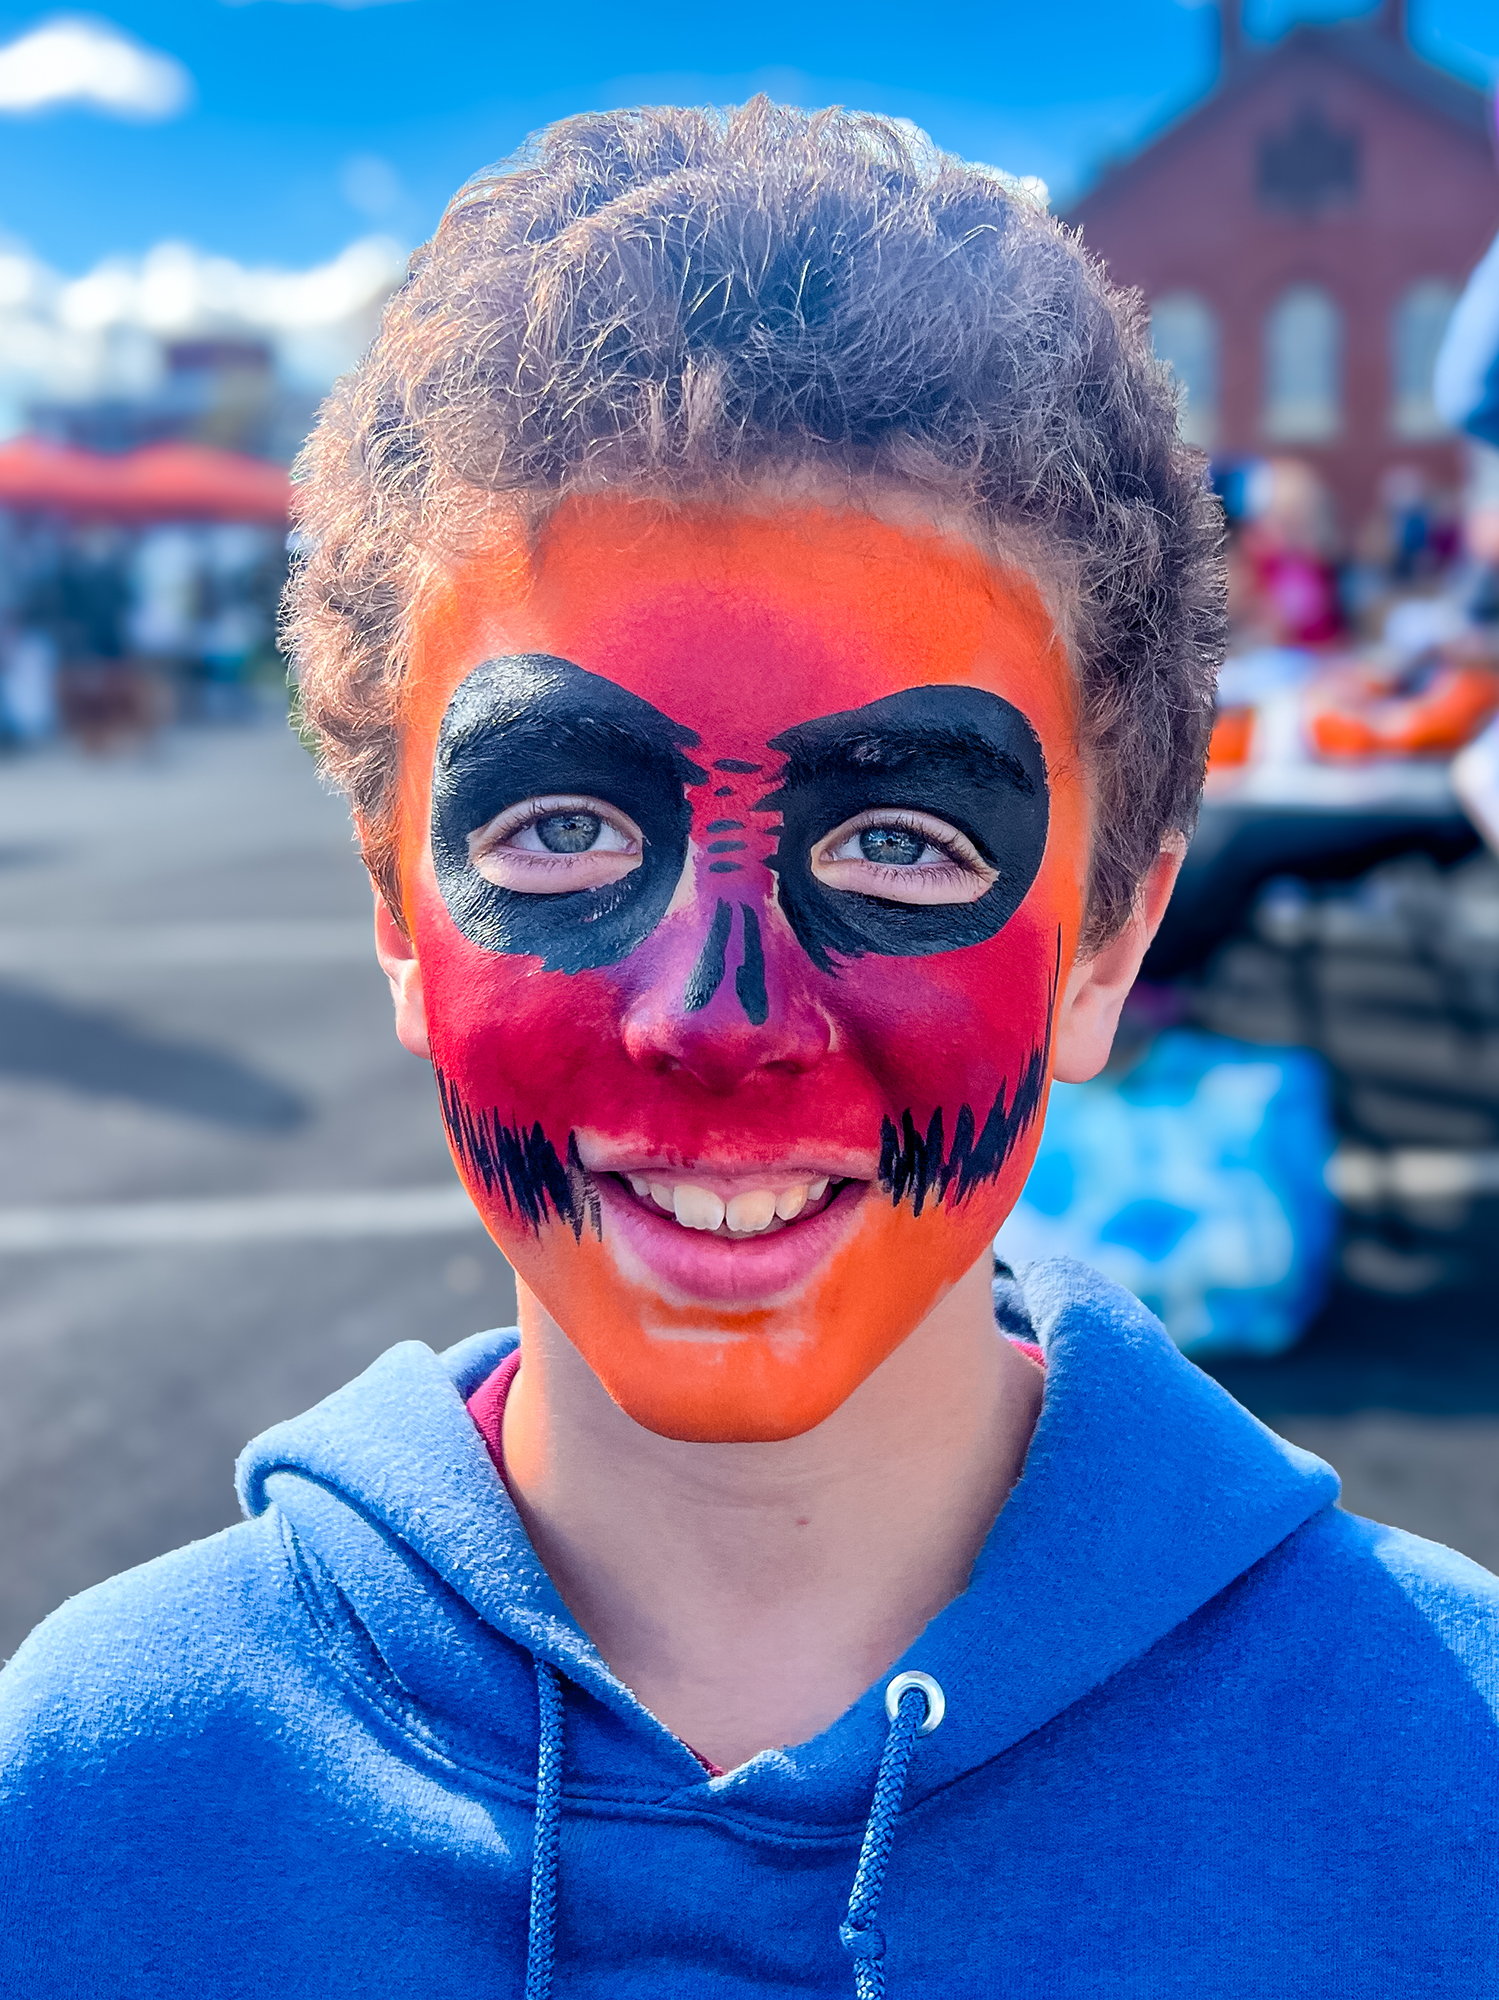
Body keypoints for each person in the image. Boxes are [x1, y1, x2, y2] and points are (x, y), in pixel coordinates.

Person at [1, 103, 1494, 1997]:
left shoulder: (1451, 1788)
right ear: (396, 908)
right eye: (562, 827)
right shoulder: (104, 1801)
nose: (715, 1016)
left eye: (901, 841)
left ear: (1108, 940)